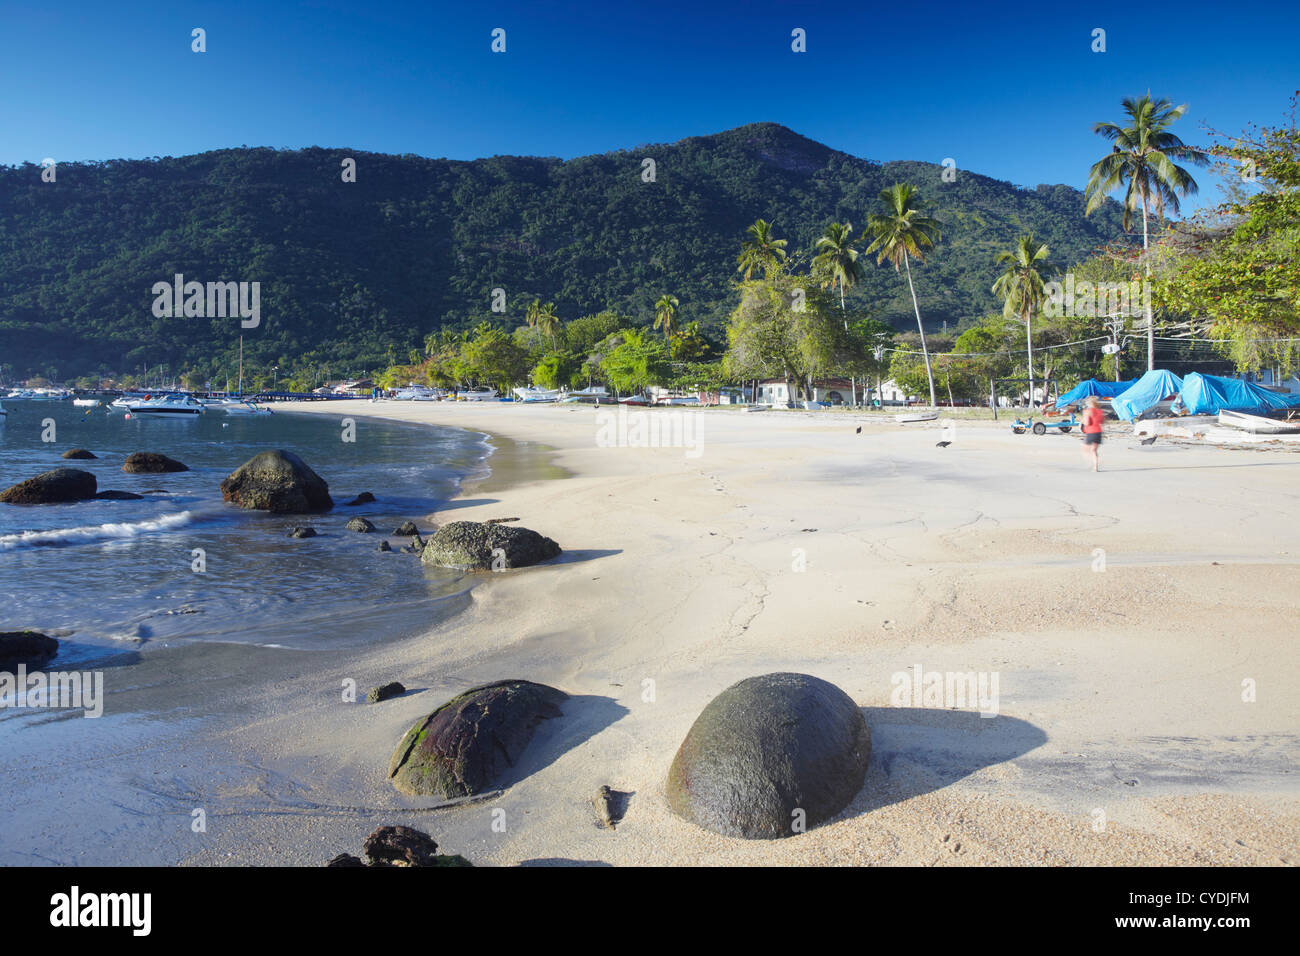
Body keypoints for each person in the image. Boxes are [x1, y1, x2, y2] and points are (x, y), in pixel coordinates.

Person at [1081, 395, 1104, 471]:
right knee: (1094, 450)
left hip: (1091, 431)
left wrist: (1083, 421)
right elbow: (1102, 422)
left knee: (1085, 449)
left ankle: (1090, 462)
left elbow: (1087, 423)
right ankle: (1095, 466)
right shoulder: (1100, 411)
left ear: (1089, 403)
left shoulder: (1088, 411)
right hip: (1099, 432)